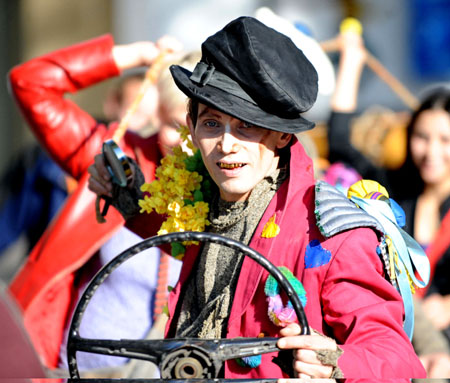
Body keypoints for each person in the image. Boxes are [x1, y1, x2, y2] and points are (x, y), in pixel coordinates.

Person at [88, 16, 425, 379]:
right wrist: (126, 197)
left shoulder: (334, 234)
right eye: (212, 123)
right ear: (191, 124)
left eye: (246, 126)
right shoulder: (204, 198)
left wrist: (335, 362)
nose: (226, 145)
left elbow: (392, 355)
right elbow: (192, 240)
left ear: (282, 136)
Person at [7, 32, 200, 375]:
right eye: (175, 126)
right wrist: (137, 56)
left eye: (203, 129)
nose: (187, 144)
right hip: (66, 367)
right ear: (158, 112)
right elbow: (30, 83)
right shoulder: (116, 154)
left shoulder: (238, 187)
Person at [327, 25, 450, 343]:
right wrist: (351, 64)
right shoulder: (394, 188)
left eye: (444, 140)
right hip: (395, 337)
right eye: (422, 138)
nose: (431, 152)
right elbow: (340, 141)